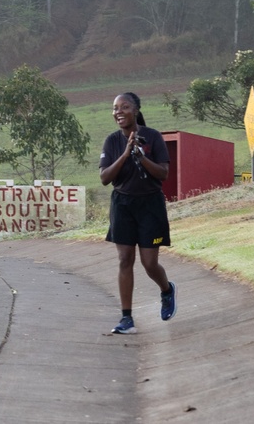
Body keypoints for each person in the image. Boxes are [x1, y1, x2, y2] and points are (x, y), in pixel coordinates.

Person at [99, 91, 176, 334]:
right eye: (115, 108)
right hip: (122, 204)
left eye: (124, 107)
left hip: (149, 205)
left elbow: (163, 174)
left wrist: (140, 156)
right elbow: (104, 178)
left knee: (149, 263)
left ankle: (166, 290)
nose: (118, 112)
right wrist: (125, 154)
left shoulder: (152, 137)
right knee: (125, 259)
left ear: (136, 110)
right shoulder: (112, 141)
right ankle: (126, 318)